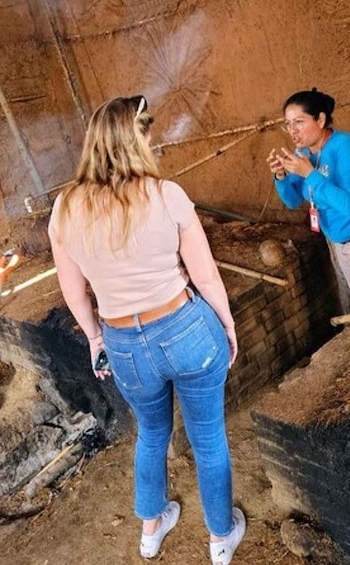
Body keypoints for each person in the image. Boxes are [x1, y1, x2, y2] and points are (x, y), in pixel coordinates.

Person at [48, 96, 246, 564]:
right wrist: (227, 323)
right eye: (148, 137)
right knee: (208, 437)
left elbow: (74, 294)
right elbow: (206, 275)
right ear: (135, 141)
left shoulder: (65, 207)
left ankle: (151, 531)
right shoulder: (167, 194)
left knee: (152, 435)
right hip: (185, 328)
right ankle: (220, 539)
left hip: (124, 344)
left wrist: (97, 338)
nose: (153, 146)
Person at [267, 88, 350, 314]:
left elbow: (349, 205)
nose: (293, 131)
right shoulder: (303, 153)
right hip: (340, 240)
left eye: (299, 122)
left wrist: (310, 174)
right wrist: (281, 177)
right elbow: (292, 201)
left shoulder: (348, 147)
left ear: (320, 119)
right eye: (288, 124)